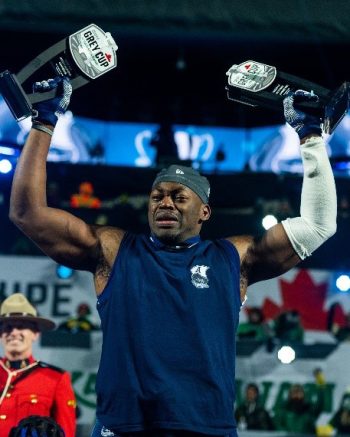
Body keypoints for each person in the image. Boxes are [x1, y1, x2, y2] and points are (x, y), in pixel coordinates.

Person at [8, 74, 337, 437]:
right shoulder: (116, 251)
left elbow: (318, 225)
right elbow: (26, 214)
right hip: (124, 427)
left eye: (179, 197)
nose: (165, 202)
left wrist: (310, 138)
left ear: (204, 212)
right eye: (157, 196)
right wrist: (43, 123)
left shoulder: (233, 258)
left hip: (206, 429)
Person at [0, 293, 76, 437]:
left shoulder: (55, 379)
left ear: (35, 333)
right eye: (8, 327)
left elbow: (66, 433)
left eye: (22, 326)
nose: (14, 332)